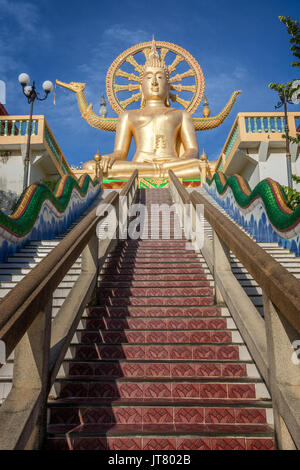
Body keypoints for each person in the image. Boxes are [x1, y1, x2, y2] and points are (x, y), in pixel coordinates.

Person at [100, 39, 201, 179]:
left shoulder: (182, 115)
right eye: (148, 78)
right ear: (141, 87)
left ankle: (160, 171)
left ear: (168, 86)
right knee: (94, 166)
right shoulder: (128, 116)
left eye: (159, 77)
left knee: (200, 166)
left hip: (172, 163)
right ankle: (161, 172)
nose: (154, 82)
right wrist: (111, 157)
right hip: (141, 164)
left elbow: (192, 150)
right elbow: (120, 153)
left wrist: (183, 160)